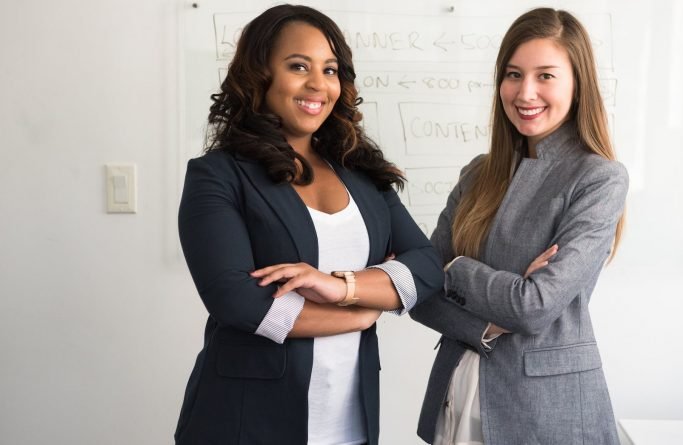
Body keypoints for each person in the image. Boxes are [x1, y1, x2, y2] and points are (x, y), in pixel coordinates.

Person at [173, 5, 443, 444]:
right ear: (260, 74)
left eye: (330, 69)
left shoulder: (362, 175)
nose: (319, 84)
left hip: (349, 426)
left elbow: (427, 267)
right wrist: (359, 316)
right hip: (246, 423)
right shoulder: (218, 175)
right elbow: (237, 302)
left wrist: (343, 288)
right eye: (298, 66)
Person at [410, 7, 628, 445]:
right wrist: (486, 326)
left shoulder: (599, 178)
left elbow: (534, 307)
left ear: (577, 82)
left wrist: (454, 268)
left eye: (545, 75)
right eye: (513, 74)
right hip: (457, 390)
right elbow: (418, 291)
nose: (526, 92)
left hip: (547, 409)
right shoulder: (477, 173)